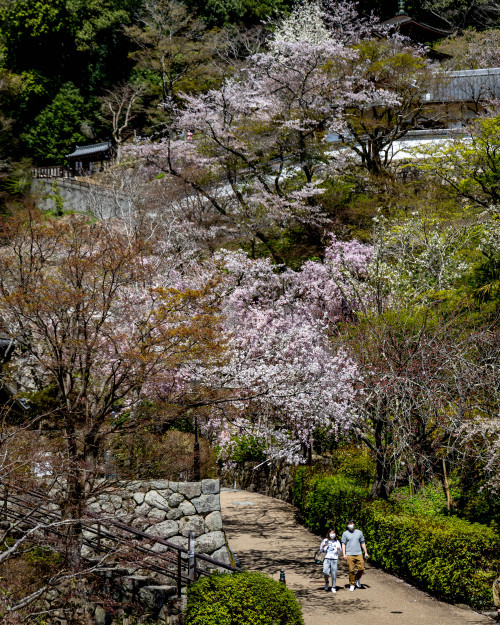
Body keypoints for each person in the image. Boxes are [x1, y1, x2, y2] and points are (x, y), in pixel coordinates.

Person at [341, 519, 369, 592]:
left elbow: (362, 542)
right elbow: (343, 544)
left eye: (351, 523)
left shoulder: (359, 532)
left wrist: (365, 552)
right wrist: (344, 554)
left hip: (358, 553)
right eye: (349, 524)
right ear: (347, 525)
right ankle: (352, 584)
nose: (350, 525)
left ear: (354, 524)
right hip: (349, 554)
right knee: (351, 570)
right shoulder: (345, 533)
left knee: (361, 568)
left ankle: (357, 579)